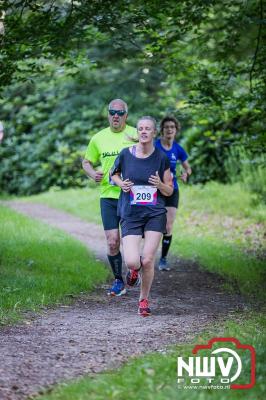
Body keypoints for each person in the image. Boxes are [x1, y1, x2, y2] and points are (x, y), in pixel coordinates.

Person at [110, 116, 173, 316]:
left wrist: (160, 185)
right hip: (131, 213)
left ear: (154, 132)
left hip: (154, 213)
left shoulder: (161, 158)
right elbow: (113, 175)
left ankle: (143, 300)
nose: (143, 132)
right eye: (140, 129)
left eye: (148, 129)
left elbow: (169, 190)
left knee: (147, 259)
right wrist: (121, 184)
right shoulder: (125, 155)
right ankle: (133, 271)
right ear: (137, 132)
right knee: (131, 261)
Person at [82, 99, 137, 296]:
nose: (116, 115)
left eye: (120, 113)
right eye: (112, 112)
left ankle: (133, 267)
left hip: (131, 195)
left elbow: (150, 156)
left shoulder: (135, 135)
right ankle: (118, 281)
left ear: (126, 116)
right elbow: (86, 162)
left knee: (132, 238)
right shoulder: (98, 138)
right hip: (108, 196)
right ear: (107, 114)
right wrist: (91, 173)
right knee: (113, 241)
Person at [155, 116, 192, 271]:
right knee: (152, 224)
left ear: (176, 130)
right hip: (155, 189)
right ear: (162, 130)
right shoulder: (155, 145)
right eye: (166, 127)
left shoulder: (178, 148)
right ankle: (145, 255)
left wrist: (185, 174)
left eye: (172, 127)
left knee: (168, 226)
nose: (169, 130)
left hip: (172, 190)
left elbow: (187, 167)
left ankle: (163, 259)